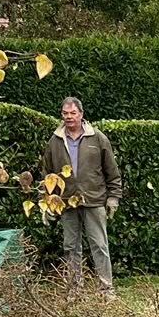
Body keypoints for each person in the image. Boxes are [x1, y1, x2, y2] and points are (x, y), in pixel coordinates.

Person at [41, 95, 123, 294]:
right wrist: (46, 202)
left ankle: (106, 289)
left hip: (94, 199)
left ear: (81, 114)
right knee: (70, 247)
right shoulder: (55, 141)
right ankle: (74, 290)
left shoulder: (97, 138)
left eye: (73, 113)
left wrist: (113, 197)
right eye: (65, 113)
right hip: (67, 202)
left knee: (99, 245)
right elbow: (47, 175)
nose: (69, 117)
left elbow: (112, 171)